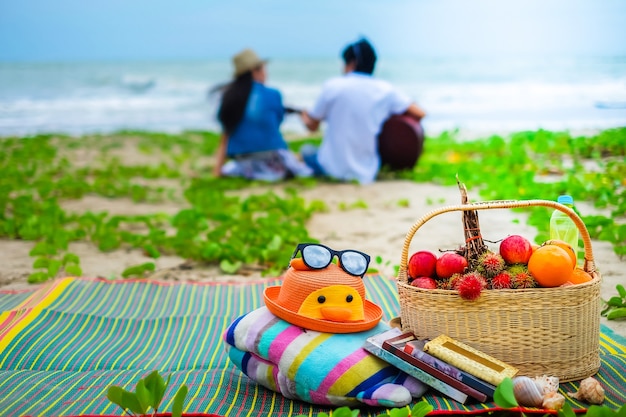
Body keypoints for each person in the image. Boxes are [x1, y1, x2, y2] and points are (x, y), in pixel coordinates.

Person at [299, 38, 426, 184]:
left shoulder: (333, 86)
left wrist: (303, 115)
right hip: (367, 172)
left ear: (352, 63)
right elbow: (420, 113)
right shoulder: (385, 89)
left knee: (307, 150)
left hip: (330, 168)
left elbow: (312, 126)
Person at [213, 48, 312, 181]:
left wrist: (217, 169)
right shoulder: (273, 94)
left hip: (243, 164)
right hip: (273, 161)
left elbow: (225, 136)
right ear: (255, 71)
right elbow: (273, 125)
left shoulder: (229, 97)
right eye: (264, 69)